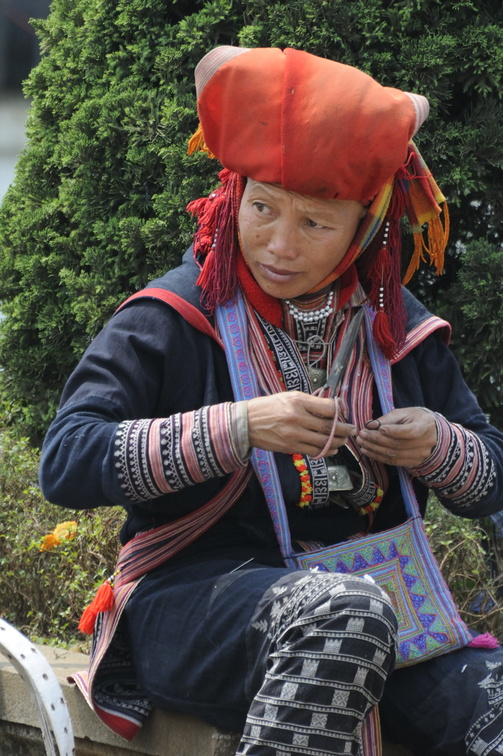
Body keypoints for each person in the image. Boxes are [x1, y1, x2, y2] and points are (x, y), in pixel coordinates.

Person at [39, 46, 503, 756]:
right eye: (261, 209)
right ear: (233, 195)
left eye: (314, 224)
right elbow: (67, 459)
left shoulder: (393, 325)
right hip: (200, 601)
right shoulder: (171, 316)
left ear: (362, 228)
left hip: (382, 607)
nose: (279, 245)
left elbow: (489, 475)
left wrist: (438, 446)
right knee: (344, 616)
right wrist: (237, 426)